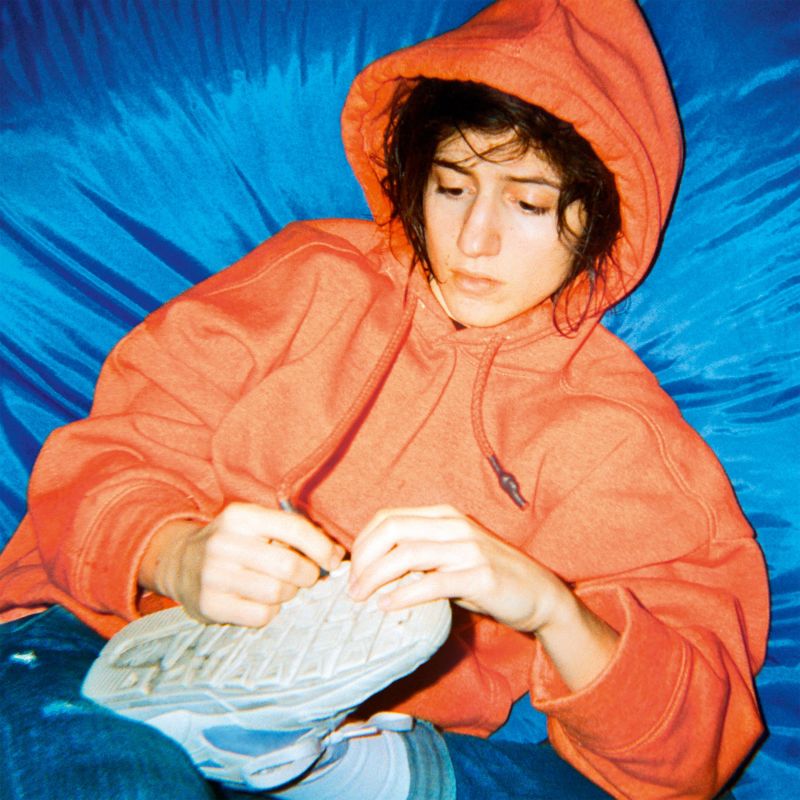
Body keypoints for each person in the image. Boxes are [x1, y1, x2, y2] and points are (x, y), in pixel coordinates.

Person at [0, 0, 769, 798]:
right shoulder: (310, 275)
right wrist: (174, 552)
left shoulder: (616, 432)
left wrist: (552, 607)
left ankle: (332, 762)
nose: (474, 240)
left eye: (529, 204)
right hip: (103, 647)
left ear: (601, 217)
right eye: (452, 187)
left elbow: (692, 753)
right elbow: (93, 465)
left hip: (356, 726)